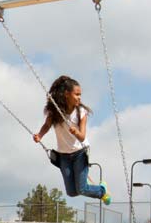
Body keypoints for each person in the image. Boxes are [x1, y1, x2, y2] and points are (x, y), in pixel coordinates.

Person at [32, 75, 110, 205]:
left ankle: (102, 191)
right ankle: (98, 191)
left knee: (82, 188)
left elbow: (82, 136)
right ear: (67, 94)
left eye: (80, 95)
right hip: (64, 155)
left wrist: (76, 131)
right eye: (77, 94)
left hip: (80, 152)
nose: (79, 98)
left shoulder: (81, 112)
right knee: (72, 192)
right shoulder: (55, 111)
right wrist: (39, 135)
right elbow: (46, 125)